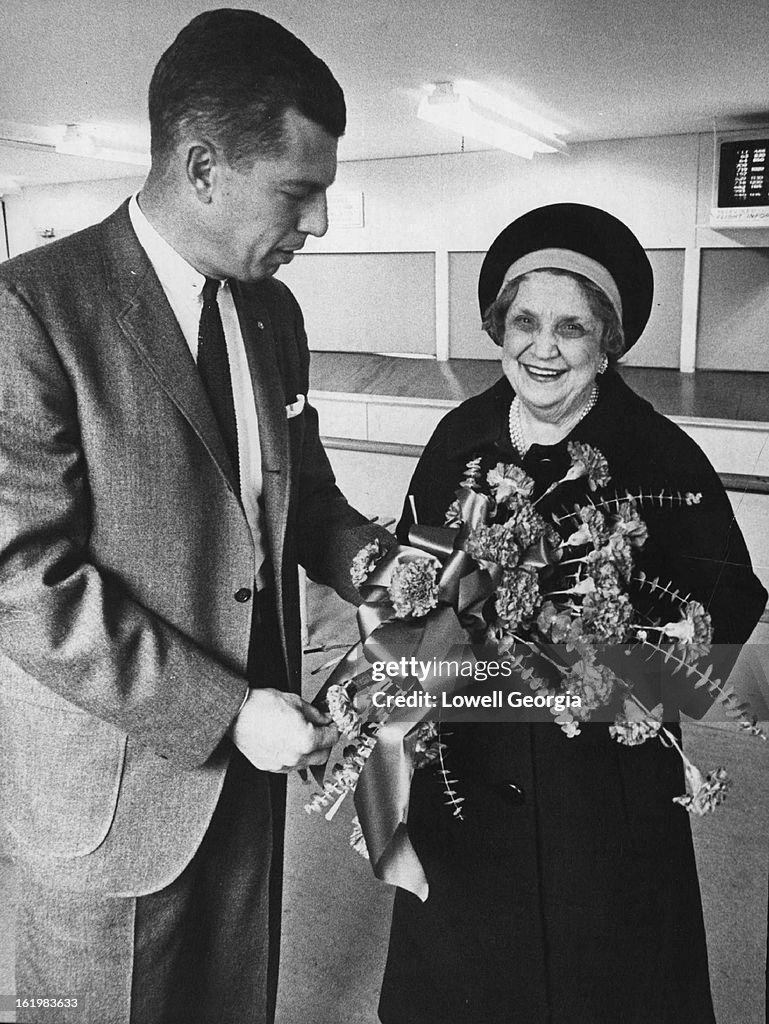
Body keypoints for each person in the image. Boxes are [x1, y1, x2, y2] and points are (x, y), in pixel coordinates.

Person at [0, 9, 393, 1024]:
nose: (317, 225)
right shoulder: (32, 311)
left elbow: (299, 497)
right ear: (204, 165)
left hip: (252, 782)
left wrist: (376, 564)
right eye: (298, 193)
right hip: (115, 797)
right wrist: (224, 710)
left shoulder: (274, 312)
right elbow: (24, 580)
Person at [378, 203, 768, 1024]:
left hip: (602, 793)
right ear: (499, 328)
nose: (543, 348)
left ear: (606, 343)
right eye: (524, 323)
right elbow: (412, 587)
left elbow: (728, 606)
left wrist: (614, 680)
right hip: (467, 780)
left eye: (571, 328)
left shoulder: (660, 455)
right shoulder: (458, 437)